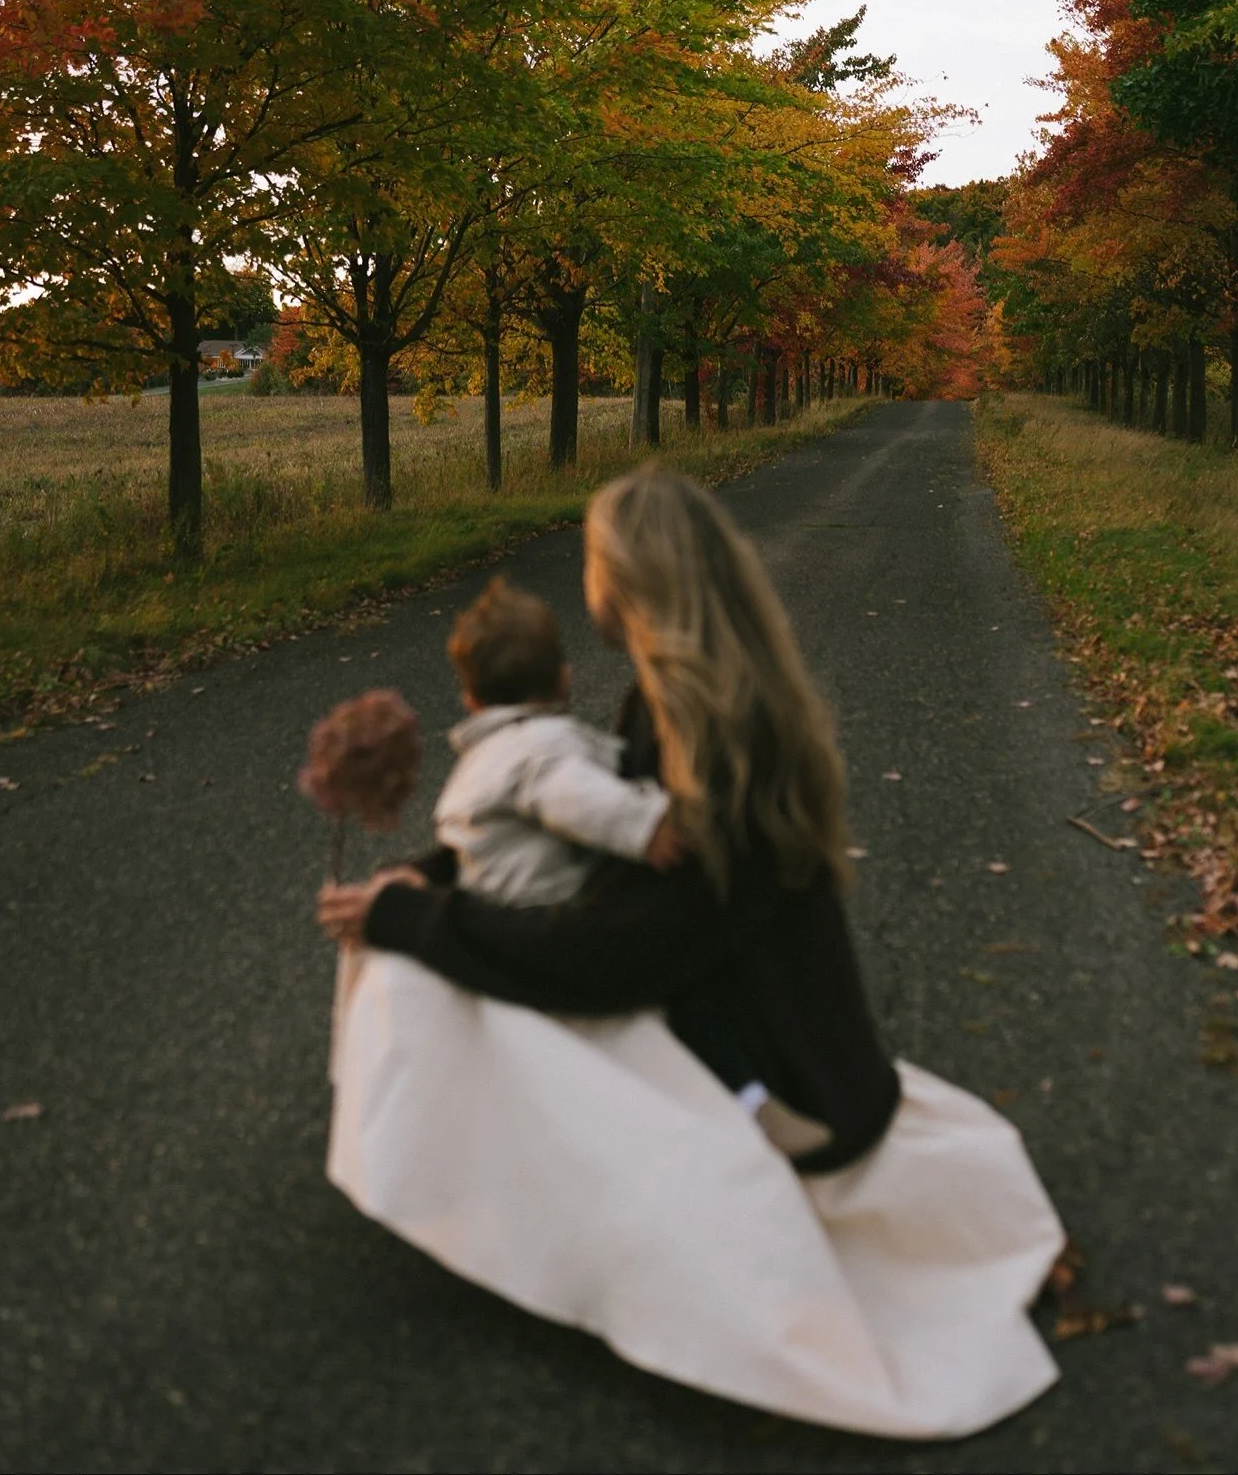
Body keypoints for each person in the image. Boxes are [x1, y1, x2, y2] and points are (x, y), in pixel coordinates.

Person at [318, 466, 1065, 1440]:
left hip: (773, 1068)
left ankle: (506, 1209)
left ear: (620, 584)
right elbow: (568, 844)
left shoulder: (715, 737)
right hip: (743, 1013)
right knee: (420, 926)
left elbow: (624, 951)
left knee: (420, 972)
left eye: (590, 563)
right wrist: (426, 881)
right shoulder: (704, 703)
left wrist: (412, 923)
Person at [434, 575, 679, 906]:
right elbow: (578, 795)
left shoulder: (476, 765)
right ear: (564, 681)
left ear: (472, 704)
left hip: (487, 909)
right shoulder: (535, 748)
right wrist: (650, 826)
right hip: (533, 914)